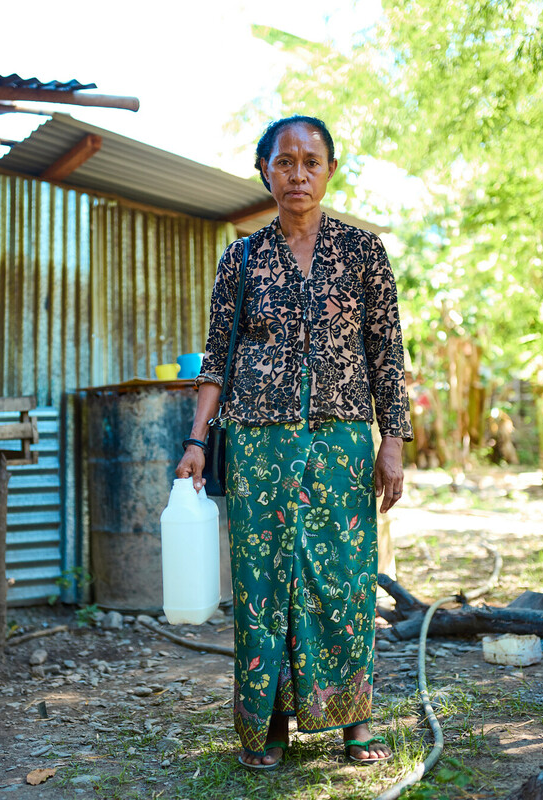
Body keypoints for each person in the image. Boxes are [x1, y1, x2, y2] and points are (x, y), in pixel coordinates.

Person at [175, 115, 413, 770]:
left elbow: (386, 353)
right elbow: (215, 360)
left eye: (310, 161)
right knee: (264, 583)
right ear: (264, 171)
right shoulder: (241, 256)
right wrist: (195, 441)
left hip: (340, 444)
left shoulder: (362, 252)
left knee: (342, 580)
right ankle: (269, 727)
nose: (298, 173)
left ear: (329, 170)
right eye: (285, 162)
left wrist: (391, 441)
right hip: (259, 446)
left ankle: (352, 721)